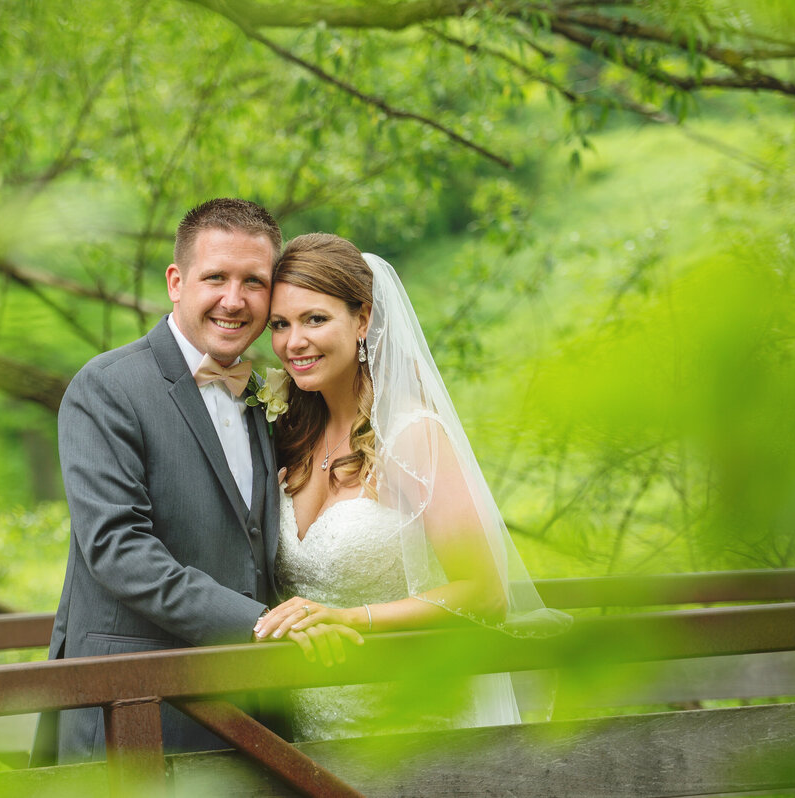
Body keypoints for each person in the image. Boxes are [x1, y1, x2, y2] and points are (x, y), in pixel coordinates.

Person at [252, 232, 570, 741]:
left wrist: (352, 618)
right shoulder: (289, 436)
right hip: (312, 732)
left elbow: (485, 592)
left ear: (362, 320)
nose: (293, 342)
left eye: (315, 319)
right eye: (280, 325)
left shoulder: (411, 435)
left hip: (412, 730)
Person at [31, 198, 287, 765]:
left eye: (254, 282)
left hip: (256, 714)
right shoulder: (107, 388)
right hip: (137, 712)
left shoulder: (272, 396)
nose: (234, 299)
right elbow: (118, 549)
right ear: (176, 281)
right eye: (215, 277)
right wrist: (260, 626)